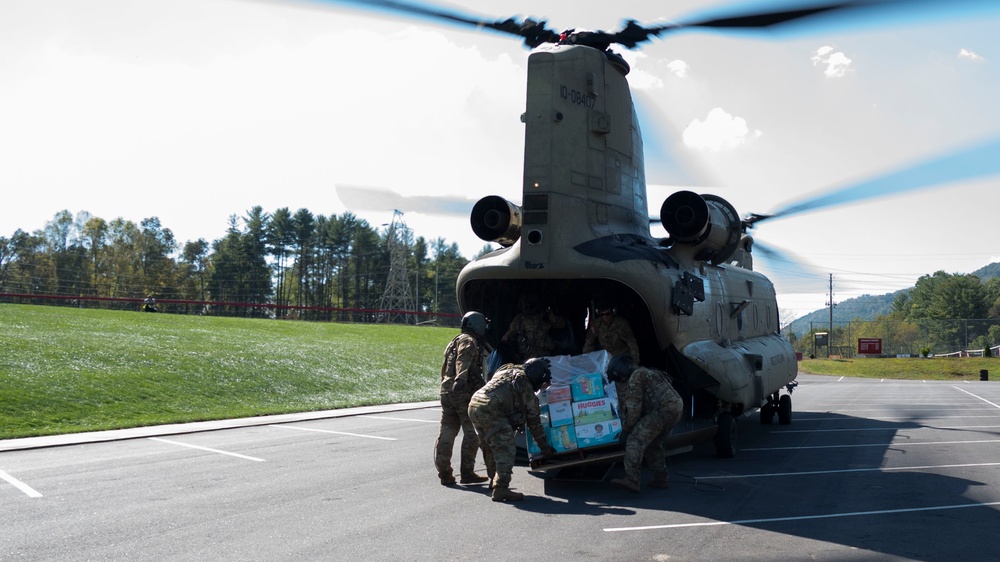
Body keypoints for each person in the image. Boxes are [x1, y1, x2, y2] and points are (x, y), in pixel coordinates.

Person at [468, 357, 557, 502]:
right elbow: (534, 422)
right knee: (506, 447)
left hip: (475, 403)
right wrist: (544, 447)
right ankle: (501, 488)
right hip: (491, 409)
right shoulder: (525, 385)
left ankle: (494, 480)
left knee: (489, 446)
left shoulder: (508, 369)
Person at [605, 355, 683, 493]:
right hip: (675, 408)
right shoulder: (645, 372)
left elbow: (634, 410)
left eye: (620, 378)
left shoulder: (636, 376)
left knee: (635, 439)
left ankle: (632, 479)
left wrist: (626, 430)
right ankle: (661, 479)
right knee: (653, 444)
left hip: (663, 410)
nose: (621, 381)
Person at [434, 311, 491, 486]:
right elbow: (463, 360)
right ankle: (467, 473)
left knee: (447, 432)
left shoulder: (454, 341)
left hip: (447, 391)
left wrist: (448, 384)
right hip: (462, 392)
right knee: (471, 434)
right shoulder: (468, 341)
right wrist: (461, 379)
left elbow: (446, 367)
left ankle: (444, 473)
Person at [501, 293, 566, 363]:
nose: (527, 305)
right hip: (528, 358)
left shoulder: (544, 315)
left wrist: (552, 317)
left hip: (547, 355)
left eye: (529, 303)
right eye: (524, 303)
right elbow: (506, 338)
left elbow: (561, 325)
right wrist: (513, 336)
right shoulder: (518, 319)